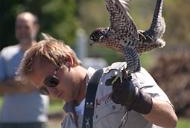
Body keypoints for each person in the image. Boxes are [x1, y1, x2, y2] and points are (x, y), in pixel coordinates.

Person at [18, 36, 177, 128]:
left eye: (51, 81)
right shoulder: (68, 124)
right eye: (43, 90)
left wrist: (137, 99)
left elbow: (170, 120)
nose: (51, 93)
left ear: (69, 61)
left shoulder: (121, 75)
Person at [0, 12, 49, 128]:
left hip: (36, 120)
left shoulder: (45, 53)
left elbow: (50, 85)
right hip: (8, 121)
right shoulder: (5, 53)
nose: (22, 31)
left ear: (35, 27)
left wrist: (13, 83)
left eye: (26, 27)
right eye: (19, 27)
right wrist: (32, 82)